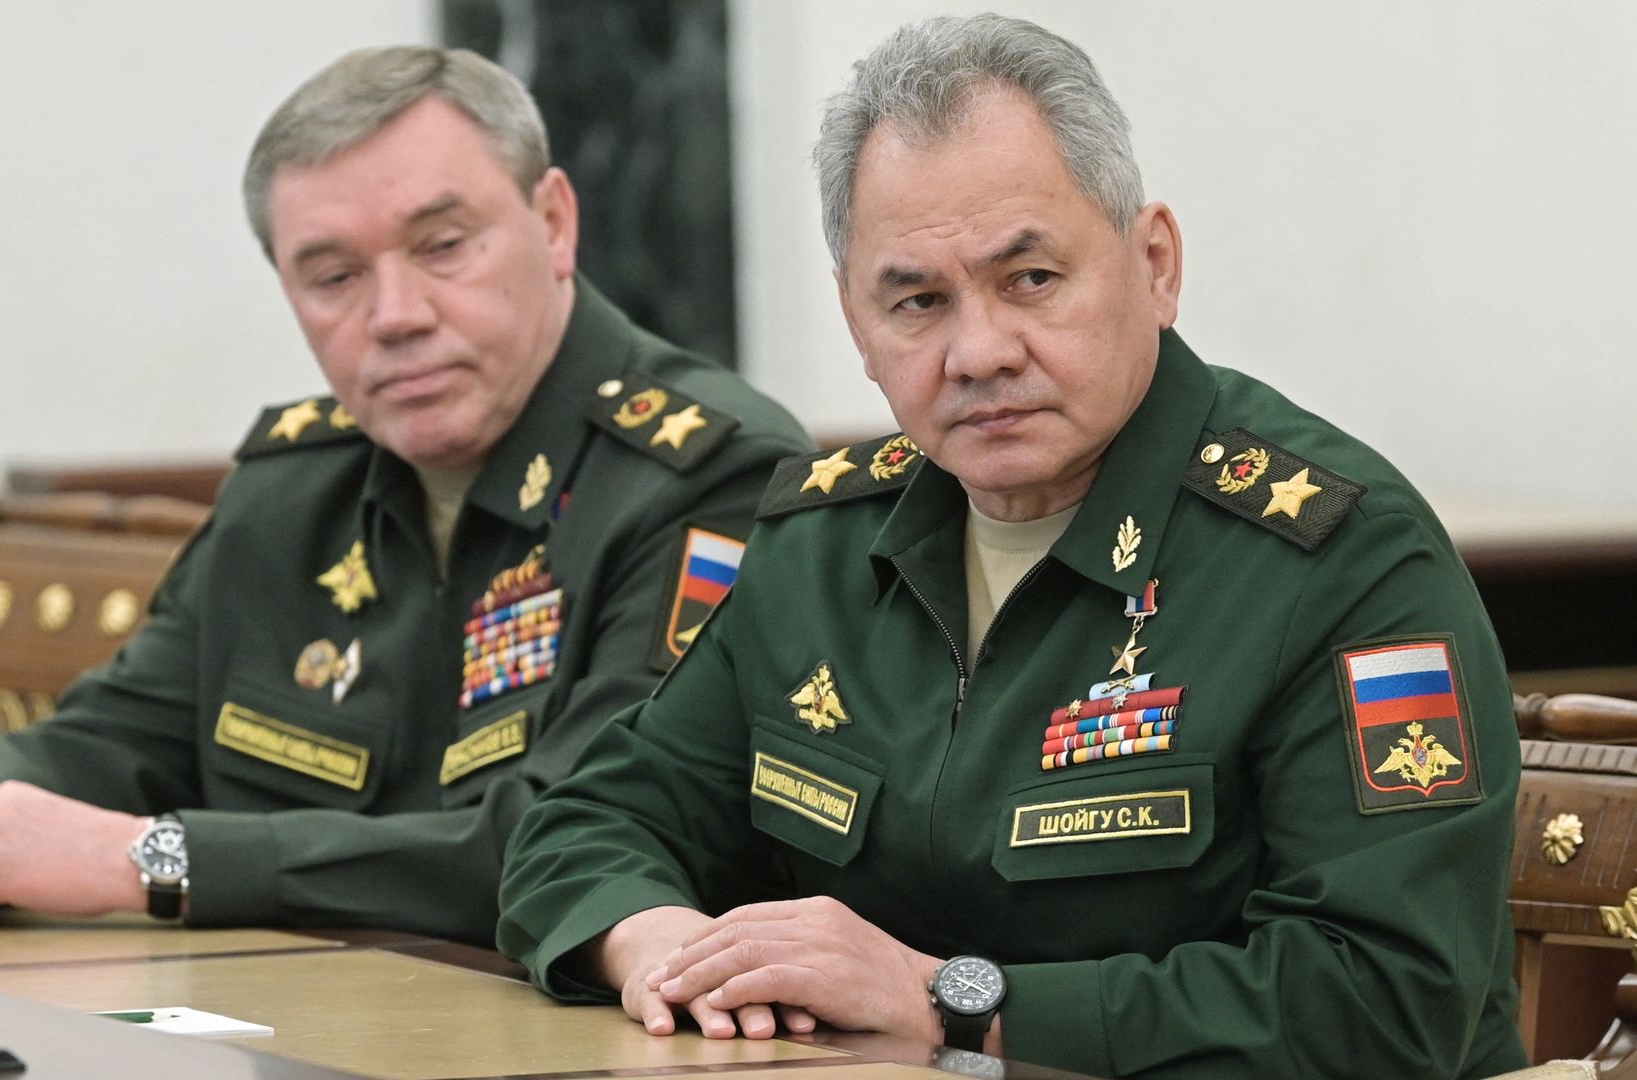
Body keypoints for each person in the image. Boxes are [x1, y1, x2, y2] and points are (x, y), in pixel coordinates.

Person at [496, 14, 1526, 1079]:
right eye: (918, 301)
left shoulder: (1340, 560)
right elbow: (587, 823)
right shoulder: (822, 546)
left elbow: (1388, 1005)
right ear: (857, 325)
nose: (979, 352)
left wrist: (947, 1005)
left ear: (1156, 265)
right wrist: (667, 947)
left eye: (1031, 279)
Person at [0, 46, 810, 945]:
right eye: (333, 276)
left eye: (443, 247)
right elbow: (111, 735)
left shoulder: (704, 474)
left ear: (554, 223)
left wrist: (162, 861)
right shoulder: (295, 484)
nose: (394, 316)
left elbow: (572, 842)